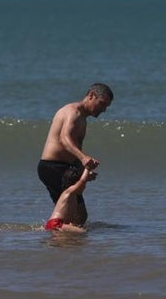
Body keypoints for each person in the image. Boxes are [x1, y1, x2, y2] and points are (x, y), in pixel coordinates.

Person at [37, 82, 113, 227]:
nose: (103, 110)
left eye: (106, 107)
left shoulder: (82, 118)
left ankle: (60, 240)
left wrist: (82, 172)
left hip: (63, 167)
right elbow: (64, 139)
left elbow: (74, 148)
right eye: (102, 104)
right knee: (77, 213)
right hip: (53, 167)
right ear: (91, 96)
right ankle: (59, 237)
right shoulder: (73, 112)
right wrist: (84, 158)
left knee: (76, 213)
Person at [43, 165, 92, 233]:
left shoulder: (71, 194)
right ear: (76, 183)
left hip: (55, 224)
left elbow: (83, 181)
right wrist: (88, 168)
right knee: (83, 232)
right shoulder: (69, 191)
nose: (84, 187)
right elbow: (82, 181)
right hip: (56, 224)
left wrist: (88, 176)